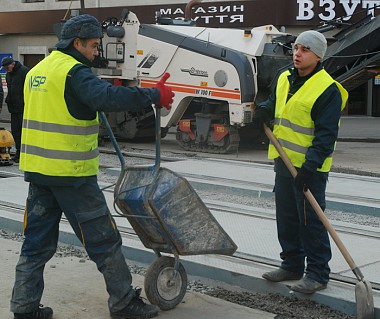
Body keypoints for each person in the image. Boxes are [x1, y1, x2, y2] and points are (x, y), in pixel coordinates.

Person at [11, 14, 174, 319]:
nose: (97, 50)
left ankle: (24, 308)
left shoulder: (37, 71)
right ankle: (124, 303)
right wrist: (154, 95)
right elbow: (106, 97)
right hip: (72, 177)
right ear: (77, 43)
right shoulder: (75, 73)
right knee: (105, 241)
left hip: (39, 175)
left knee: (35, 245)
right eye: (94, 45)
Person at [255, 30, 348, 294]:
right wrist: (262, 110)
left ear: (318, 56)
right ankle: (292, 264)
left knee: (311, 221)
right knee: (286, 217)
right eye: (296, 48)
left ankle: (318, 273)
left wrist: (310, 167)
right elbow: (275, 103)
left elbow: (326, 135)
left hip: (310, 169)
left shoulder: (327, 90)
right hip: (284, 162)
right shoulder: (284, 77)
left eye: (305, 50)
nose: (297, 53)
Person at [1, 56, 29, 163]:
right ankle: (18, 152)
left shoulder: (24, 71)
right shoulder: (9, 74)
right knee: (16, 132)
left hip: (23, 108)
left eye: (7, 67)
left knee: (23, 132)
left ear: (12, 64)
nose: (6, 70)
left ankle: (24, 153)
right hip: (13, 108)